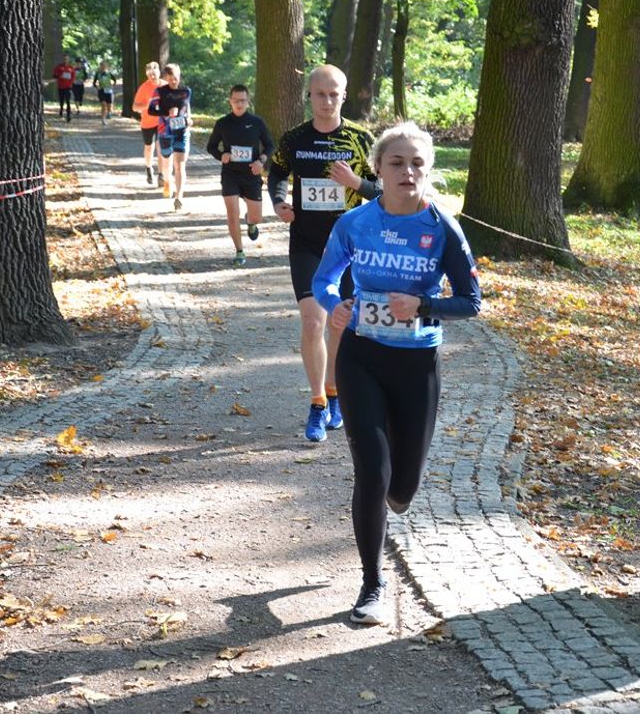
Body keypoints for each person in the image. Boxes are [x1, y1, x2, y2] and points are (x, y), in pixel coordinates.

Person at [312, 121, 481, 624]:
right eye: (396, 162)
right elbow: (323, 281)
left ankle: (387, 496)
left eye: (417, 163)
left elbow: (471, 302)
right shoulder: (355, 224)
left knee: (401, 491)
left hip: (416, 364)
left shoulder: (442, 225)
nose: (407, 171)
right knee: (372, 472)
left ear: (427, 170)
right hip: (362, 356)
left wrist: (424, 304)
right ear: (377, 169)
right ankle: (371, 583)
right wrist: (336, 306)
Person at [268, 64, 378, 443]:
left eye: (334, 94)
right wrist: (279, 202)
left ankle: (334, 395)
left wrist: (356, 182)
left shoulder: (362, 140)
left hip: (349, 246)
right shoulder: (294, 138)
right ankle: (316, 403)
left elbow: (385, 192)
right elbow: (276, 173)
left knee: (339, 323)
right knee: (313, 321)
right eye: (320, 94)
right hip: (307, 242)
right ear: (309, 96)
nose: (327, 101)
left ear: (344, 96)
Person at [205, 85, 275, 266]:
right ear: (230, 101)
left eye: (242, 100)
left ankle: (251, 223)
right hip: (230, 174)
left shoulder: (257, 122)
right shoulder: (222, 123)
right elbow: (211, 146)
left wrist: (261, 161)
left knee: (257, 216)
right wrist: (222, 156)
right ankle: (239, 250)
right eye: (236, 100)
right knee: (232, 213)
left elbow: (269, 145)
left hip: (251, 174)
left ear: (248, 101)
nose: (239, 104)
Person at [147, 63, 192, 207]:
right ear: (166, 77)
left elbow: (187, 108)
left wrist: (189, 119)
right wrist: (167, 113)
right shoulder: (160, 91)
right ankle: (167, 181)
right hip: (165, 132)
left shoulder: (186, 91)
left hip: (182, 132)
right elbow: (151, 110)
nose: (174, 81)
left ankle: (179, 197)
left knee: (180, 164)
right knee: (167, 166)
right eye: (171, 78)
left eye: (176, 78)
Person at [132, 61, 165, 186]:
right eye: (150, 74)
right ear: (147, 74)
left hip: (162, 121)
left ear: (159, 72)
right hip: (147, 122)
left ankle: (161, 174)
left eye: (154, 73)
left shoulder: (164, 85)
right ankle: (148, 168)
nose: (152, 76)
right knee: (149, 147)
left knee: (160, 147)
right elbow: (134, 107)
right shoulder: (143, 88)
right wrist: (148, 105)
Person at [51, 54, 76, 122]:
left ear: (69, 60)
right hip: (61, 86)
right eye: (64, 59)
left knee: (68, 101)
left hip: (68, 87)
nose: (66, 60)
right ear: (63, 59)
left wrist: (71, 83)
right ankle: (61, 109)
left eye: (67, 59)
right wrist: (60, 76)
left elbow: (73, 76)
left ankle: (68, 115)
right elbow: (55, 75)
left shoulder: (71, 68)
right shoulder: (59, 67)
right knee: (61, 100)